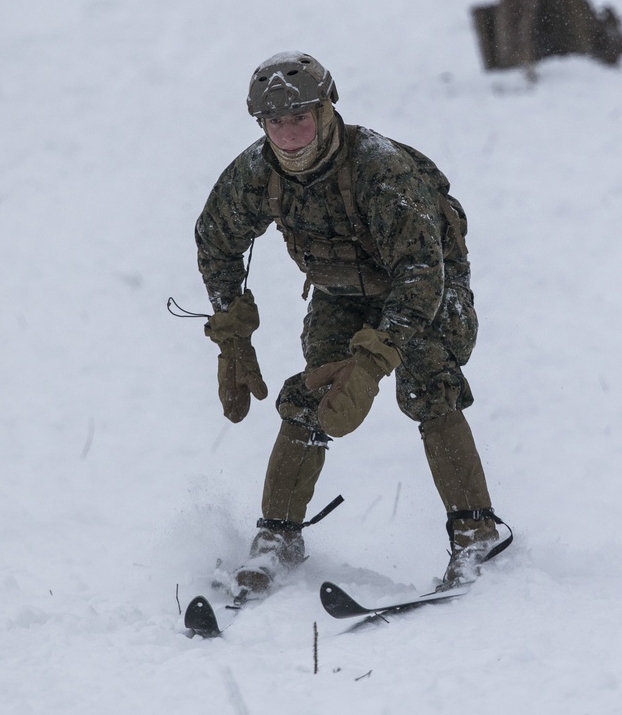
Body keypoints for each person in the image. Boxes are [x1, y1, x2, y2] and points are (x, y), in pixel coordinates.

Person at [195, 51, 509, 600]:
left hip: (428, 291)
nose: (289, 134)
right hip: (341, 293)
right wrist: (232, 334)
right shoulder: (257, 172)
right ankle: (277, 542)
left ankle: (476, 534)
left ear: (326, 110)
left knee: (429, 384)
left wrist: (371, 362)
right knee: (313, 396)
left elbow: (419, 271)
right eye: (275, 122)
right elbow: (216, 240)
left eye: (301, 118)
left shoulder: (379, 168)